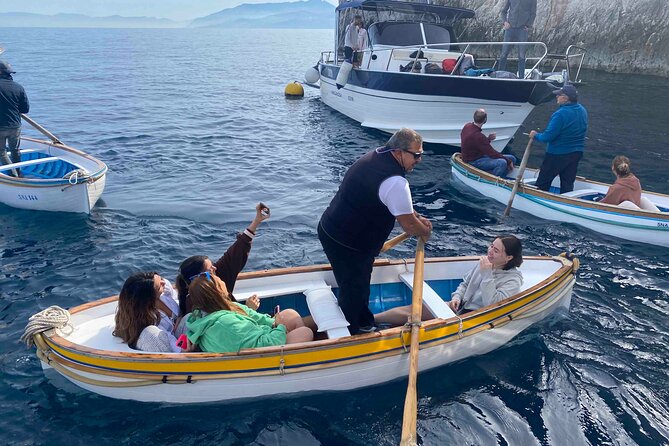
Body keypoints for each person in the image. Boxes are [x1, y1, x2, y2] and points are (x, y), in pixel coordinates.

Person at [318, 128, 433, 334]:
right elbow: (409, 226)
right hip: (349, 243)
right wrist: (424, 230)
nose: (419, 160)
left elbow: (396, 205)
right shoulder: (396, 181)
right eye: (416, 155)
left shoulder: (375, 157)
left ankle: (360, 321)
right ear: (398, 152)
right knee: (354, 287)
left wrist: (415, 217)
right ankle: (352, 334)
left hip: (330, 230)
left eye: (421, 154)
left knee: (353, 282)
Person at [374, 236, 524, 326]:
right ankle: (372, 320)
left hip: (477, 317)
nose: (490, 251)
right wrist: (457, 297)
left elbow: (493, 304)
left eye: (496, 250)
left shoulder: (512, 280)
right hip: (460, 307)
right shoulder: (486, 263)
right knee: (413, 310)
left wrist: (486, 276)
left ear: (509, 258)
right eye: (491, 246)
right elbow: (465, 284)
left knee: (423, 325)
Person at [175, 203, 269, 317]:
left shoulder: (214, 276)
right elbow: (230, 328)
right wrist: (249, 310)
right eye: (211, 270)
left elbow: (236, 252)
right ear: (199, 279)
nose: (215, 268)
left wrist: (257, 220)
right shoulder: (196, 308)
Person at [185, 273, 313, 352]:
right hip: (260, 354)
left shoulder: (228, 306)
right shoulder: (224, 324)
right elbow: (261, 345)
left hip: (261, 337)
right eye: (220, 282)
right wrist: (280, 328)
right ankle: (298, 358)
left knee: (290, 314)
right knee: (305, 333)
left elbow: (259, 319)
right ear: (217, 291)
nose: (224, 282)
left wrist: (274, 323)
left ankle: (297, 351)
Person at [113, 272, 194, 353]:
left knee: (190, 318)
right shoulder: (149, 322)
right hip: (163, 348)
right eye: (159, 286)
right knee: (152, 334)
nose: (164, 283)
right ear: (149, 298)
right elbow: (170, 341)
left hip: (172, 334)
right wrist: (183, 349)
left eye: (161, 279)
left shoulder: (164, 292)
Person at [529, 85, 588, 194]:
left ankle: (538, 201)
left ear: (565, 98)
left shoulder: (560, 114)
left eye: (558, 95)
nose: (556, 97)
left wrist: (535, 135)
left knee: (542, 184)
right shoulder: (582, 110)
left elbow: (548, 137)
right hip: (576, 153)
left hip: (557, 154)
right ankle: (565, 201)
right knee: (567, 184)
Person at [461, 109, 516, 177]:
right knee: (502, 163)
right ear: (485, 120)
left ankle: (500, 174)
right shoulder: (479, 136)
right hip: (473, 161)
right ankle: (493, 179)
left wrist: (488, 139)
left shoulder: (467, 126)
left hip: (476, 156)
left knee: (512, 158)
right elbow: (492, 153)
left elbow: (477, 144)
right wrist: (508, 161)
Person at [0, 60, 30, 178]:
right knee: (15, 150)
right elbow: (25, 110)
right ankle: (19, 172)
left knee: (1, 152)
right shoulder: (19, 87)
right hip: (15, 126)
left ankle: (13, 176)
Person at [497, 0, 537, 79]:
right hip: (510, 28)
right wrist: (505, 22)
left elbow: (533, 13)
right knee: (504, 53)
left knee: (522, 55)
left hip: (522, 29)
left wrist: (528, 25)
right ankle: (498, 75)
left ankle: (521, 78)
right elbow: (503, 12)